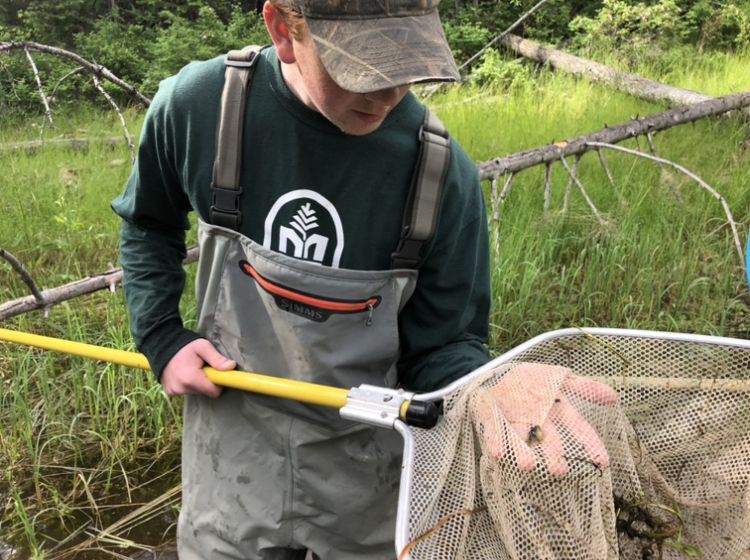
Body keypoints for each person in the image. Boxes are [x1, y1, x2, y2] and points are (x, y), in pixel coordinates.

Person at [112, 1, 611, 558]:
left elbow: (444, 347)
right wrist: (161, 336)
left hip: (368, 471)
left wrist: (492, 383)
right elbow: (148, 223)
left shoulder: (441, 175)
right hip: (230, 454)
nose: (386, 94)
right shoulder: (201, 106)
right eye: (361, 70)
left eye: (405, 67)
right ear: (283, 29)